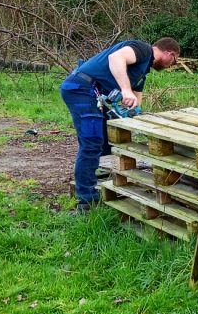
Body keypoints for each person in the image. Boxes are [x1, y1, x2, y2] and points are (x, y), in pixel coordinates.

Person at [61, 37, 180, 210]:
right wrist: (125, 90)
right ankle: (86, 202)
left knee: (107, 141)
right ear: (170, 54)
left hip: (93, 95)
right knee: (91, 144)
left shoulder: (141, 74)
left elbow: (136, 104)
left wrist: (144, 121)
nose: (171, 65)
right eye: (174, 61)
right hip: (81, 89)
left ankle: (102, 179)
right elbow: (116, 58)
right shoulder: (143, 50)